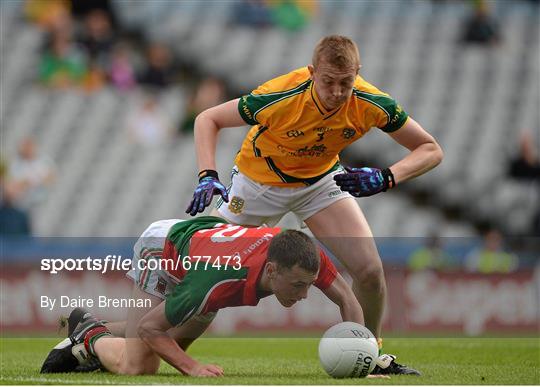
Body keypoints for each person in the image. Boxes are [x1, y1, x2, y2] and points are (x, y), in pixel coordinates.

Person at [185, 35, 443, 374]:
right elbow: (208, 119)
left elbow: (431, 149)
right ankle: (162, 343)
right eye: (328, 82)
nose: (337, 92)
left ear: (358, 74)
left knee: (369, 271)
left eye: (345, 83)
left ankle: (372, 353)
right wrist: (207, 174)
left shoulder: (371, 102)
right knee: (208, 271)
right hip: (257, 184)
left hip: (320, 182)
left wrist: (386, 177)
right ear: (311, 72)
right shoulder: (280, 95)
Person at [41, 216, 385, 377]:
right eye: (298, 286)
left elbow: (348, 300)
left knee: (159, 345)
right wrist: (192, 369)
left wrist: (361, 358)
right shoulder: (217, 278)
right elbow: (150, 329)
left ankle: (93, 326)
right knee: (140, 364)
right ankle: (89, 333)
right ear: (272, 271)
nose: (306, 294)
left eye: (309, 285)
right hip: (163, 250)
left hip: (203, 259)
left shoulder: (301, 254)